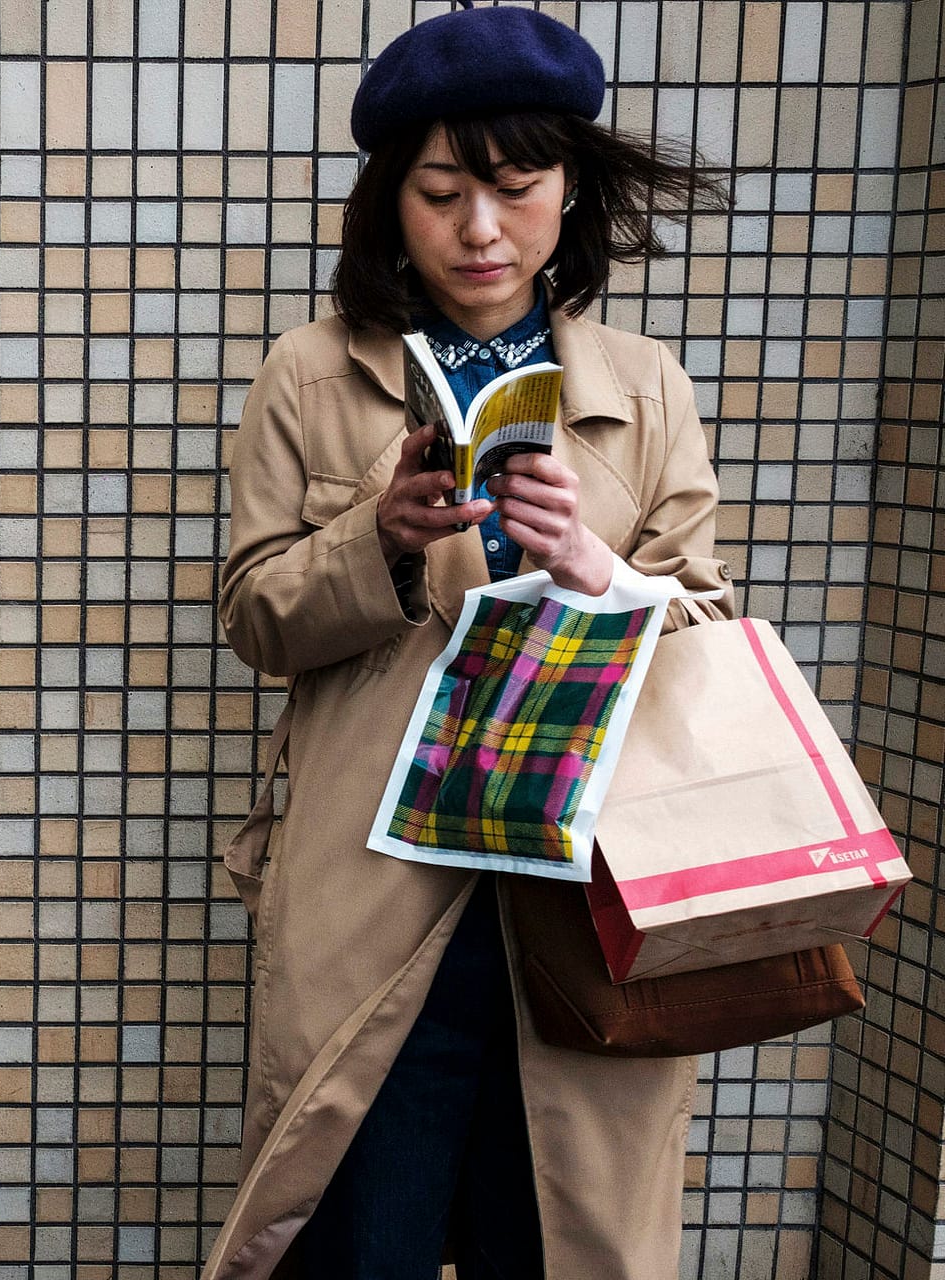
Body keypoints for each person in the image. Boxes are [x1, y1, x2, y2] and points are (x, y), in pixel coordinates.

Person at [203, 5, 733, 1279]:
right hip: (375, 902)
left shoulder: (644, 385)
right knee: (355, 1237)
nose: (479, 229)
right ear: (394, 200)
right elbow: (254, 616)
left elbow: (712, 632)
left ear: (570, 191)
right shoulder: (311, 374)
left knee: (556, 1235)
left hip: (584, 904)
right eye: (442, 192)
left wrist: (599, 570)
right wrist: (377, 537)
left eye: (514, 186)